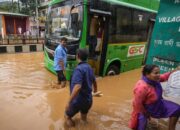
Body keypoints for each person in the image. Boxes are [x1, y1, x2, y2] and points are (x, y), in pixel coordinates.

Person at [129, 64, 180, 130]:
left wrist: (175, 71)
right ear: (147, 74)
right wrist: (147, 115)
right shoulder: (141, 87)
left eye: (159, 72)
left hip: (159, 104)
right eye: (156, 73)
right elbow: (137, 105)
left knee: (177, 109)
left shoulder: (155, 80)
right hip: (148, 109)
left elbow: (164, 77)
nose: (159, 75)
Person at [65, 48, 98, 127]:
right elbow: (94, 81)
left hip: (77, 101)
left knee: (67, 117)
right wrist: (95, 91)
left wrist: (68, 102)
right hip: (88, 100)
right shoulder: (89, 67)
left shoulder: (78, 69)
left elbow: (77, 86)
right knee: (83, 120)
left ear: (77, 56)